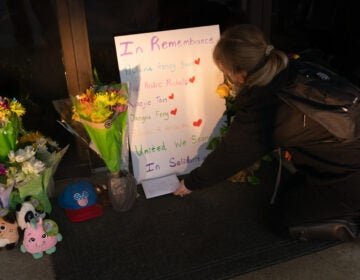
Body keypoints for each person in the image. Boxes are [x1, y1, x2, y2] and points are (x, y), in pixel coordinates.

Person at [173, 24, 360, 241]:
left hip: (351, 177)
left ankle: (353, 218)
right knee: (291, 192)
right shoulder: (299, 66)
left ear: (241, 75)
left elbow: (231, 154)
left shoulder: (270, 103)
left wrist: (191, 183)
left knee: (283, 220)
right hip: (344, 162)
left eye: (226, 72)